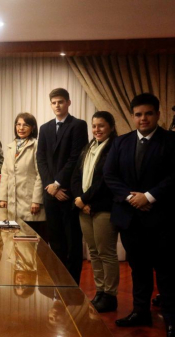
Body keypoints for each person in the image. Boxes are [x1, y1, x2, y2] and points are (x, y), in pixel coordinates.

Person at [104, 93, 175, 334]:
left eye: (148, 113)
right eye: (138, 114)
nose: (143, 118)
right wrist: (132, 197)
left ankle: (172, 318)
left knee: (166, 270)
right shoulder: (120, 142)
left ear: (157, 114)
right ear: (132, 116)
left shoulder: (171, 141)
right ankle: (140, 311)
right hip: (130, 218)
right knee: (139, 269)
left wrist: (150, 196)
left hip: (162, 217)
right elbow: (110, 175)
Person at [36, 88, 88, 284]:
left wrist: (57, 184)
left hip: (68, 192)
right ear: (50, 105)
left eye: (61, 102)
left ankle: (73, 284)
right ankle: (58, 282)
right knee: (55, 240)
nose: (57, 105)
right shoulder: (45, 128)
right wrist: (50, 185)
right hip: (50, 194)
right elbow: (40, 158)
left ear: (68, 103)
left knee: (72, 240)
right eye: (54, 102)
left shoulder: (78, 125)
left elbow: (76, 158)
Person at [71, 111, 119, 313]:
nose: (97, 130)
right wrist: (79, 200)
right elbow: (76, 175)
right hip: (84, 208)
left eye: (101, 126)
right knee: (93, 252)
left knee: (106, 252)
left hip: (103, 208)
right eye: (94, 126)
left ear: (110, 126)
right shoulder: (88, 147)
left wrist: (86, 199)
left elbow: (106, 180)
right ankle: (100, 291)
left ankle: (110, 295)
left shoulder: (115, 147)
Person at [0, 112, 47, 240]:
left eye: (25, 125)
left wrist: (36, 200)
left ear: (32, 128)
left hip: (30, 202)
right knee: (12, 241)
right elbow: (5, 174)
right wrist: (2, 198)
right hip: (12, 203)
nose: (21, 128)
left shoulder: (37, 145)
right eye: (18, 124)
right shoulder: (10, 146)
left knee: (30, 244)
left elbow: (40, 174)